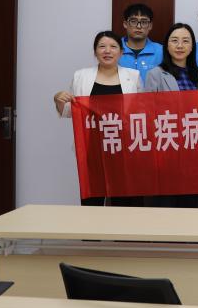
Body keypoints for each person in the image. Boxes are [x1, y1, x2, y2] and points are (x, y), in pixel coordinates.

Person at [53, 31, 142, 206]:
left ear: (121, 52)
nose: (107, 51)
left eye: (113, 46)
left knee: (124, 201)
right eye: (102, 46)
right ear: (95, 52)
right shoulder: (81, 76)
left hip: (123, 149)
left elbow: (139, 113)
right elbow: (70, 112)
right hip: (91, 149)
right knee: (91, 202)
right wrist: (58, 100)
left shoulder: (133, 76)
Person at [143, 23, 198, 208]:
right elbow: (148, 113)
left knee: (191, 199)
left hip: (194, 146)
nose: (180, 45)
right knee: (166, 200)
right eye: (174, 40)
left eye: (185, 41)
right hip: (167, 145)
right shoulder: (155, 74)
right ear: (167, 45)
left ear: (192, 46)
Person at [119, 3, 163, 83]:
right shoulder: (114, 49)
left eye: (144, 22)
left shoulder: (161, 51)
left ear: (150, 26)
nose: (139, 26)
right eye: (133, 21)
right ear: (125, 24)